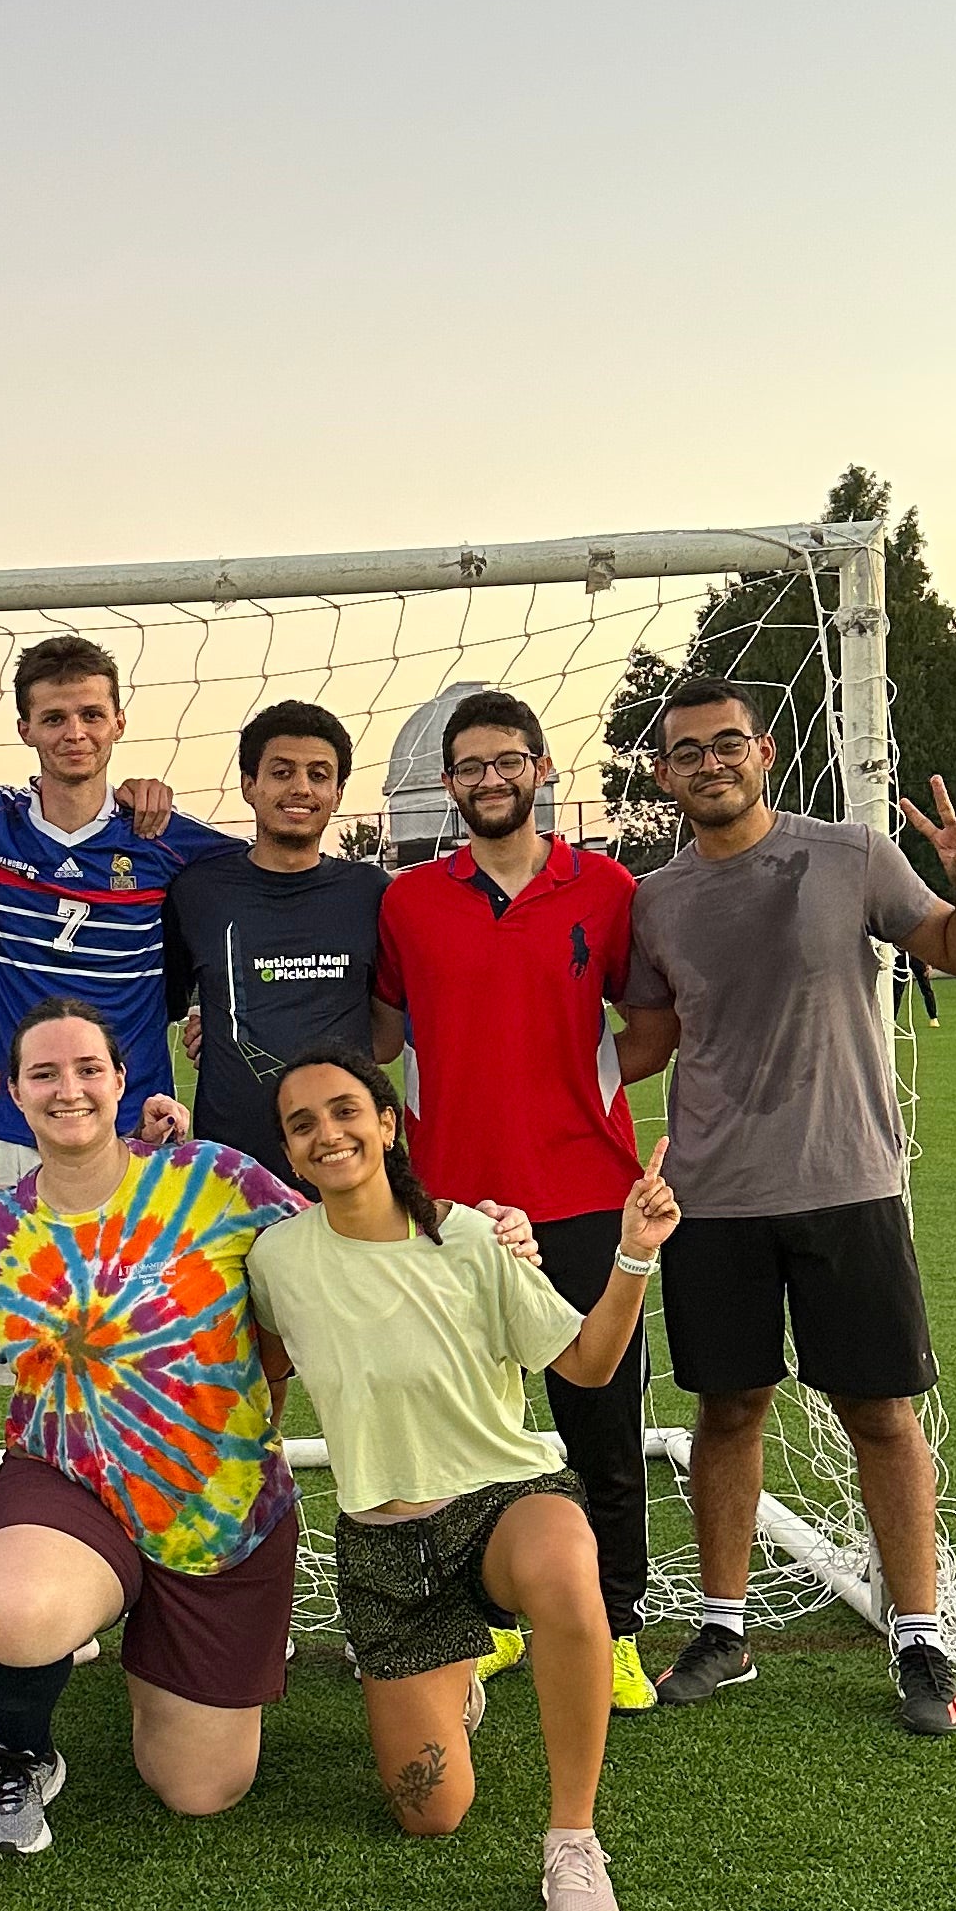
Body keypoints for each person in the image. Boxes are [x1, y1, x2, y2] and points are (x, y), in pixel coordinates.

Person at [613, 670, 956, 1737]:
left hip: (848, 1182)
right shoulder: (657, 899)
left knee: (878, 1411)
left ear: (766, 749)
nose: (710, 763)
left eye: (726, 743)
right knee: (728, 1410)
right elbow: (645, 1041)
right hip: (714, 1196)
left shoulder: (849, 854)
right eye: (687, 751)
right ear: (664, 773)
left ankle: (918, 1636)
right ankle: (724, 1629)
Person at [253, 1047, 679, 1911]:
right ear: (290, 1155)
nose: (328, 1134)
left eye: (345, 1111)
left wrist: (633, 1258)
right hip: (385, 1545)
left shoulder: (475, 1238)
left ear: (388, 1123)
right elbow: (261, 1370)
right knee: (429, 1810)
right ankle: (456, 1692)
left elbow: (589, 1364)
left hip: (500, 1501)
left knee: (568, 1566)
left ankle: (574, 1842)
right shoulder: (276, 1262)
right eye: (303, 1125)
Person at [0, 997, 299, 1855]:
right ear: (11, 1092)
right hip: (72, 1484)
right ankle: (21, 1750)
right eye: (43, 1074)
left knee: (200, 1791)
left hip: (220, 1511)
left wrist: (465, 1228)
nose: (69, 1089)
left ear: (123, 1080)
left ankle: (158, 1656)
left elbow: (340, 1247)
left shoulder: (213, 1179)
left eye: (88, 1069)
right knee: (10, 1612)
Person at [373, 685, 661, 1717]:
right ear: (447, 786)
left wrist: (574, 1088)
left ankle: (617, 1625)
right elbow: (380, 1034)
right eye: (470, 767)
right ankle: (483, 1625)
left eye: (509, 761)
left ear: (540, 769)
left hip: (583, 1194)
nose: (490, 780)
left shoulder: (608, 888)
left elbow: (653, 1021)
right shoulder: (407, 901)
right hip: (450, 1204)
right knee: (463, 1433)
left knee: (601, 1420)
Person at [0, 635, 228, 1189]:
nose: (75, 733)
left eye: (91, 714)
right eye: (54, 718)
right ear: (25, 729)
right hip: (15, 1118)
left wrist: (226, 1009)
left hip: (135, 1118)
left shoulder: (165, 836)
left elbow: (271, 884)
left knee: (137, 1276)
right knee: (21, 1276)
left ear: (119, 721)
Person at [160, 700, 393, 1170]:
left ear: (339, 791)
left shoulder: (373, 894)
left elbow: (385, 1039)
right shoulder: (198, 892)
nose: (301, 788)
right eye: (282, 772)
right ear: (250, 785)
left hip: (344, 1160)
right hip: (231, 1165)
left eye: (319, 774)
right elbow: (165, 1004)